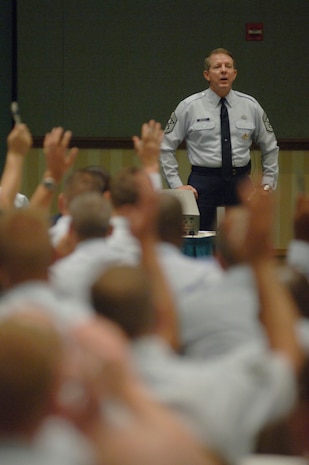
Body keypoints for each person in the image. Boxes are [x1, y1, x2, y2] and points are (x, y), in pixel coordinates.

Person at [160, 47, 279, 230]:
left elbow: (270, 147)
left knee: (243, 238)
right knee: (198, 237)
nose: (223, 70)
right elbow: (166, 146)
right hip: (203, 181)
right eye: (217, 67)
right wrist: (177, 186)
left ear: (234, 73)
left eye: (228, 66)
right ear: (207, 75)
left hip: (240, 181)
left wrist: (267, 185)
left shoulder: (250, 106)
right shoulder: (189, 106)